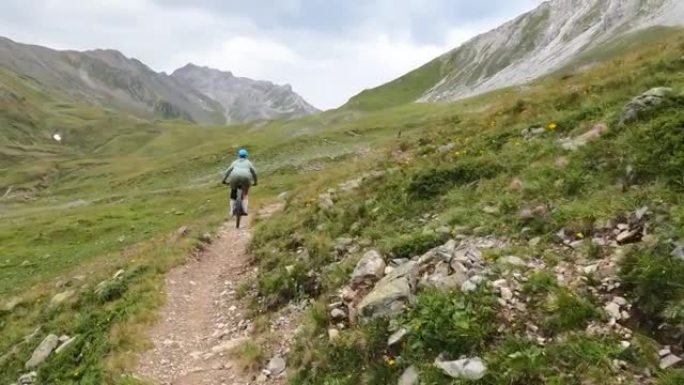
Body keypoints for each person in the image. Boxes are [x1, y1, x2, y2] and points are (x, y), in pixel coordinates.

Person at [222, 148, 258, 215]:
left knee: (233, 194)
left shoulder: (234, 162)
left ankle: (231, 211)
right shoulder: (248, 163)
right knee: (245, 194)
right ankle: (245, 210)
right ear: (246, 156)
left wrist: (224, 180)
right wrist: (255, 182)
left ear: (238, 155)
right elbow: (254, 173)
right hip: (246, 177)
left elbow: (227, 172)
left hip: (234, 177)